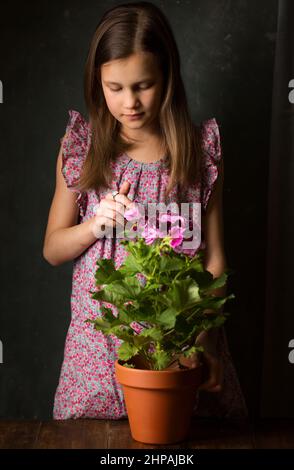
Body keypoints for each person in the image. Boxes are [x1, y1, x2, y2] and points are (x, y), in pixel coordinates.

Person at [43, 1, 247, 420]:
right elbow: (53, 249)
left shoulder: (199, 152)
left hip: (180, 344)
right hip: (98, 350)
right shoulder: (83, 148)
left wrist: (205, 341)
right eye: (114, 87)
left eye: (143, 85)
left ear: (168, 77)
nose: (129, 102)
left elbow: (214, 258)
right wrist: (94, 225)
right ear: (97, 81)